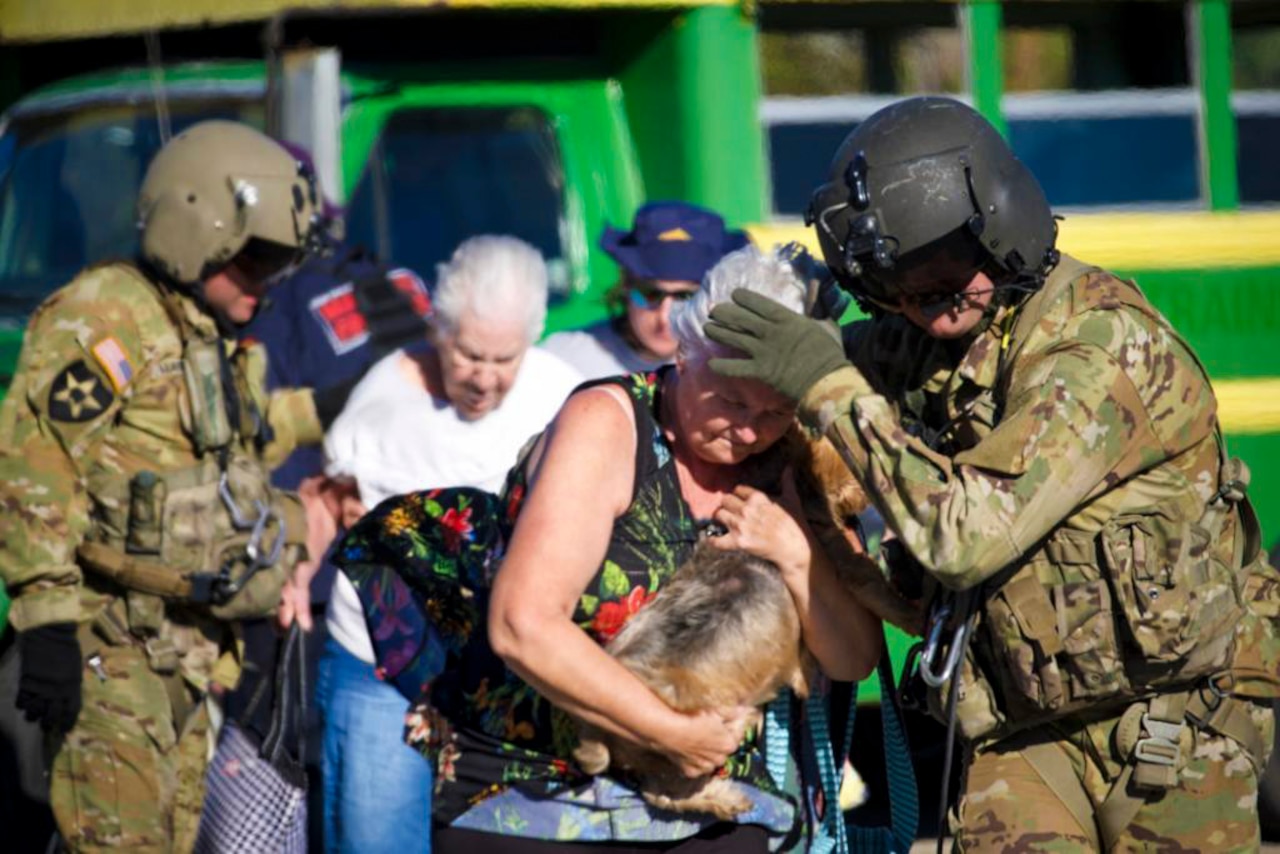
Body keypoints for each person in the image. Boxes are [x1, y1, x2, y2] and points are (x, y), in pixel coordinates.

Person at [703, 96, 1280, 851]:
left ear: (1005, 230)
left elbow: (965, 536)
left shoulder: (1100, 350)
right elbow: (811, 366)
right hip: (1017, 721)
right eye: (898, 285)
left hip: (1168, 719)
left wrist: (825, 384)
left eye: (945, 272)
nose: (928, 305)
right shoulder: (945, 332)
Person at [332, 244, 882, 852]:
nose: (750, 429)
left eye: (775, 412)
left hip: (717, 802)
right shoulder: (607, 425)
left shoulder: (791, 462)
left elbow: (853, 659)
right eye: (731, 401)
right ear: (684, 349)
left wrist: (797, 554)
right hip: (540, 794)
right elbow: (523, 624)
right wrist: (671, 732)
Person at [0, 120, 337, 852]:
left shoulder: (201, 330)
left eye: (280, 263)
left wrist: (326, 412)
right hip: (110, 646)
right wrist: (48, 621)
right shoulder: (105, 316)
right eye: (255, 261)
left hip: (183, 654)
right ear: (197, 236)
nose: (268, 282)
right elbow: (34, 462)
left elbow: (218, 443)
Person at [313, 235, 582, 854]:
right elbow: (325, 498)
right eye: (468, 355)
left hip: (510, 674)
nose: (485, 379)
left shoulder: (564, 396)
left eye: (504, 359)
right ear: (438, 329)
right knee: (373, 839)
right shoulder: (384, 395)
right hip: (382, 666)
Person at [542, 201, 749, 379]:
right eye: (650, 294)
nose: (665, 317)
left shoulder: (732, 367)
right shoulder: (562, 360)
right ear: (625, 285)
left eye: (687, 297)